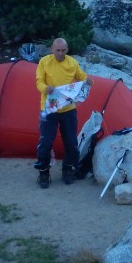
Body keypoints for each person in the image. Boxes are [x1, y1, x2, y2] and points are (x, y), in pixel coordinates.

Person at [34, 38, 92, 188]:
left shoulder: (72, 62)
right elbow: (39, 82)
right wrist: (45, 88)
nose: (60, 53)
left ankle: (68, 169)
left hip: (68, 108)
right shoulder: (44, 62)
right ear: (52, 49)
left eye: (63, 50)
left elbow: (81, 76)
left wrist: (88, 80)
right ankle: (43, 172)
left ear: (67, 50)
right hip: (49, 108)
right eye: (57, 50)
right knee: (45, 143)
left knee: (72, 142)